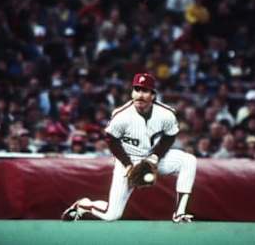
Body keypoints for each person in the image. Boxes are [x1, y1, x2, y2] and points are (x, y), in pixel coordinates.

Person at [61, 73, 197, 223]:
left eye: (145, 90)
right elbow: (111, 139)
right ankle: (83, 205)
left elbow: (170, 135)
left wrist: (156, 156)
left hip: (152, 156)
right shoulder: (122, 115)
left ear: (153, 95)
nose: (140, 95)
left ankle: (180, 213)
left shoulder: (166, 114)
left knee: (188, 160)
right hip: (128, 159)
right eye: (137, 89)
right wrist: (127, 165)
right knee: (111, 215)